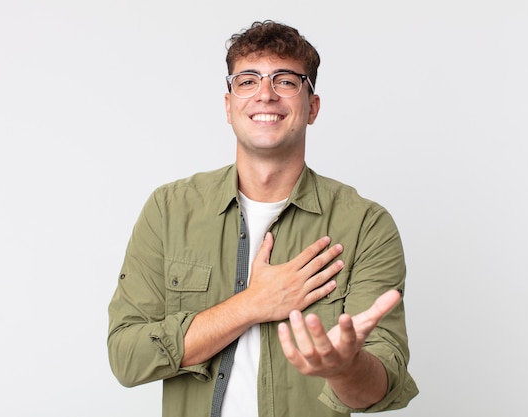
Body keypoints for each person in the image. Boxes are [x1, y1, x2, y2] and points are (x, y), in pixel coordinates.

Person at [107, 20, 418, 417]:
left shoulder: (365, 226)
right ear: (229, 104)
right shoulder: (169, 210)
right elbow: (127, 357)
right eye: (248, 80)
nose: (266, 95)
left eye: (286, 81)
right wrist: (252, 304)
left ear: (313, 107)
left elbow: (381, 386)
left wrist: (346, 368)